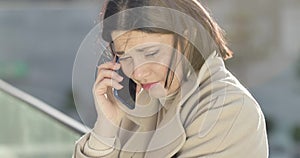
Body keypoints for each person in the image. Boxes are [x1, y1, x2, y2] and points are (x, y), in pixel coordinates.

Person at [73, 0, 269, 157]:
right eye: (125, 57)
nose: (138, 73)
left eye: (151, 53)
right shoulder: (143, 106)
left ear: (187, 38)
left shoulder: (229, 110)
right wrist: (105, 130)